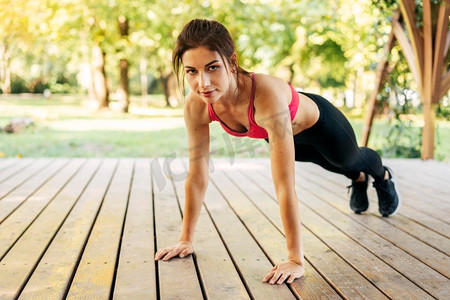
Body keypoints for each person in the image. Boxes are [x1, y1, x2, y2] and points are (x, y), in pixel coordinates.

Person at [154, 19, 401, 285]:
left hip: (321, 126)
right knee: (331, 166)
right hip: (283, 137)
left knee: (349, 160)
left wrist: (295, 260)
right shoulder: (197, 105)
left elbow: (284, 185)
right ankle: (359, 180)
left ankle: (381, 176)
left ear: (232, 62)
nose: (202, 82)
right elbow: (197, 173)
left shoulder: (265, 95)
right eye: (191, 71)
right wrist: (185, 239)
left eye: (212, 68)